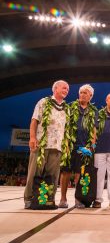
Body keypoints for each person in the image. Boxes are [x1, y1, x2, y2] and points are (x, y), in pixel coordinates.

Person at [24, 80, 70, 209]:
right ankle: (29, 199)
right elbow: (34, 120)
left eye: (67, 89)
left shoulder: (66, 108)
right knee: (34, 172)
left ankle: (49, 199)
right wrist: (32, 137)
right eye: (64, 88)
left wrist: (65, 144)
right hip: (41, 143)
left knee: (53, 175)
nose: (66, 90)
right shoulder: (43, 102)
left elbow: (66, 129)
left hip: (57, 146)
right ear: (55, 89)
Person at [58, 84, 97, 209]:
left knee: (80, 173)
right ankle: (63, 199)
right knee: (65, 172)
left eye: (86, 93)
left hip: (84, 146)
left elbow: (94, 130)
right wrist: (64, 143)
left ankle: (77, 198)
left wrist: (91, 145)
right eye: (81, 92)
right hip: (70, 145)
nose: (83, 94)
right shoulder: (70, 107)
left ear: (91, 96)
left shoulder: (93, 111)